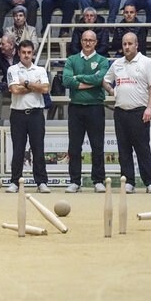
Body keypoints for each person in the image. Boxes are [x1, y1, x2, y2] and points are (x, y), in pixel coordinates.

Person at [103, 32, 151, 194]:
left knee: (142, 148)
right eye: (124, 44)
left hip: (140, 112)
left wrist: (149, 107)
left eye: (130, 44)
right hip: (120, 113)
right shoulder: (117, 64)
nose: (127, 47)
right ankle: (128, 182)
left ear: (136, 45)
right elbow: (105, 80)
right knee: (124, 150)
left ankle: (149, 182)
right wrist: (112, 90)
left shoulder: (146, 63)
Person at [62, 30, 109, 193]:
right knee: (74, 146)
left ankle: (98, 180)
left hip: (95, 107)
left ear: (96, 42)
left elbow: (99, 79)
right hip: (75, 107)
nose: (88, 43)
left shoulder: (103, 61)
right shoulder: (71, 59)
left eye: (91, 40)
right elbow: (66, 80)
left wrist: (78, 78)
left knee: (97, 145)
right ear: (81, 41)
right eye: (85, 40)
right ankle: (75, 181)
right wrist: (90, 81)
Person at [4, 39, 51, 194]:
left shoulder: (40, 70)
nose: (26, 55)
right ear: (19, 53)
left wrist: (24, 84)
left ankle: (41, 182)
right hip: (18, 114)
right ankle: (15, 182)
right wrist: (32, 85)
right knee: (18, 149)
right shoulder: (12, 69)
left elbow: (45, 89)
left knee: (38, 148)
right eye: (23, 52)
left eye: (29, 52)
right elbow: (14, 90)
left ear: (33, 53)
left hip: (36, 114)